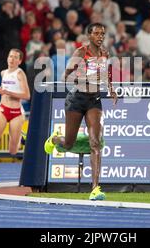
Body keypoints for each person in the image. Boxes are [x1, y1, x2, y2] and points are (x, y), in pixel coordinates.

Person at [44, 23, 118, 201]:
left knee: (96, 143)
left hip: (94, 100)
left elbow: (106, 73)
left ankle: (95, 189)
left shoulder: (105, 54)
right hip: (77, 99)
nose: (100, 36)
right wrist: (81, 76)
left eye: (103, 33)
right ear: (89, 35)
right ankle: (55, 139)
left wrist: (111, 88)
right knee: (68, 144)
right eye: (96, 33)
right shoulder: (80, 53)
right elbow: (65, 76)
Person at [0, 48, 30, 184]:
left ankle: (21, 137)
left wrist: (11, 93)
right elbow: (3, 88)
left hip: (16, 114)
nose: (11, 59)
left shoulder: (20, 74)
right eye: (10, 56)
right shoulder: (4, 73)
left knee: (13, 151)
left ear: (19, 61)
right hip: (2, 109)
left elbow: (27, 95)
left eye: (15, 57)